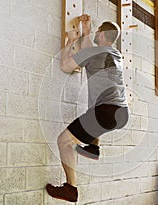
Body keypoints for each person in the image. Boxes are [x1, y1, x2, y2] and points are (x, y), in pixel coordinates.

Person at [46, 14, 129, 202]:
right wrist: (87, 29)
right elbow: (92, 51)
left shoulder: (94, 53)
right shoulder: (113, 54)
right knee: (92, 112)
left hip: (106, 112)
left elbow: (65, 66)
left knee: (64, 142)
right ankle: (93, 147)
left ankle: (70, 189)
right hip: (121, 112)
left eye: (97, 32)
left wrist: (71, 41)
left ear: (101, 35)